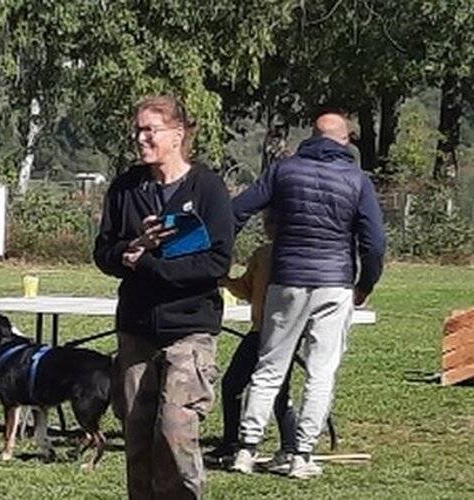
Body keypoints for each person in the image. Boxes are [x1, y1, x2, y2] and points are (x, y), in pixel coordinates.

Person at [229, 111, 386, 479]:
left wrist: (218, 251)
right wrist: (366, 283)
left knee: (269, 367)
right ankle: (302, 455)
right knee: (321, 371)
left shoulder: (283, 170)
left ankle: (246, 449)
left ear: (312, 136)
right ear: (344, 140)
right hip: (335, 282)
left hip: (287, 279)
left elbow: (238, 209)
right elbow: (375, 242)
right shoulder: (357, 180)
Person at [92, 95, 234, 499]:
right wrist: (131, 248)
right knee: (137, 441)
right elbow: (104, 253)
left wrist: (150, 264)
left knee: (174, 433)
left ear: (177, 134)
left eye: (149, 129)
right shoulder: (126, 188)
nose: (140, 138)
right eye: (137, 129)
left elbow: (217, 262)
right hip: (136, 330)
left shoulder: (207, 187)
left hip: (189, 329)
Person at [205, 211, 298, 470]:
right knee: (233, 383)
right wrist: (225, 280)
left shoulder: (296, 256)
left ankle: (290, 448)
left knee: (280, 390)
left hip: (283, 336)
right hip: (258, 331)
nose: (270, 228)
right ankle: (231, 442)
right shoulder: (261, 255)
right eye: (267, 223)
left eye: (274, 222)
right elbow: (247, 289)